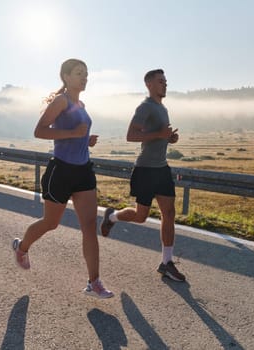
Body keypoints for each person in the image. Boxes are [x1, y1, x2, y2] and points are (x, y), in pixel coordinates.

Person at [12, 58, 113, 299]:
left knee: (89, 226)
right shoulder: (61, 101)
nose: (84, 77)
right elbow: (40, 131)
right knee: (51, 223)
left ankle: (94, 282)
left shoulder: (82, 104)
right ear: (66, 77)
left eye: (86, 74)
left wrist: (85, 140)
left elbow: (76, 136)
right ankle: (21, 247)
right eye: (79, 73)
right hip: (62, 171)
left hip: (83, 171)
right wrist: (72, 133)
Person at [100, 68, 185, 282]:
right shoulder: (145, 107)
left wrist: (169, 139)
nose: (165, 84)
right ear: (149, 85)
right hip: (145, 170)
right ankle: (111, 217)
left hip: (162, 169)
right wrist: (159, 134)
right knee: (141, 216)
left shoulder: (163, 108)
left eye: (166, 81)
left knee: (169, 213)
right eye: (160, 81)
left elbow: (157, 137)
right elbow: (130, 135)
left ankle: (167, 262)